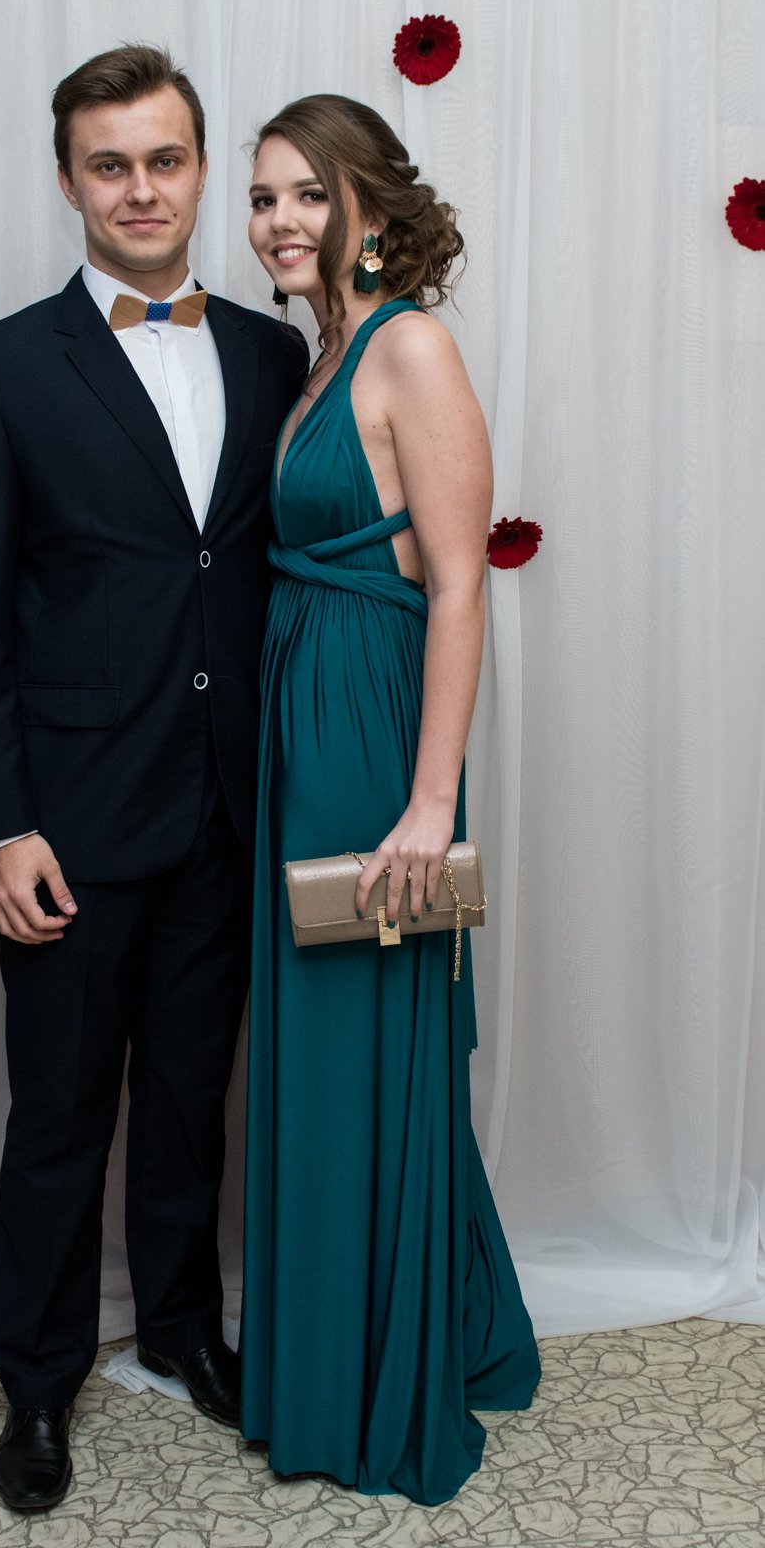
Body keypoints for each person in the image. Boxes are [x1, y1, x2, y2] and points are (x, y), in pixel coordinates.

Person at [0, 45, 306, 1513]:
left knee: (195, 1095)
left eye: (165, 160)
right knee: (61, 1114)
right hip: (71, 821)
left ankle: (184, 1328)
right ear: (69, 180)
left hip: (227, 803)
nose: (141, 189)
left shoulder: (272, 353)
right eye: (110, 164)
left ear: (200, 171)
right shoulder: (0, 367)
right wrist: (0, 825)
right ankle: (37, 1381)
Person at [239, 94, 541, 1503]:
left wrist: (429, 804)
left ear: (369, 202)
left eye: (308, 192)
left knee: (358, 1040)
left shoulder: (409, 344)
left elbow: (462, 585)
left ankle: (368, 1381)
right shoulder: (326, 355)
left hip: (369, 736)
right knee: (317, 1046)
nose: (280, 221)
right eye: (263, 198)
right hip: (304, 722)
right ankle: (338, 1347)